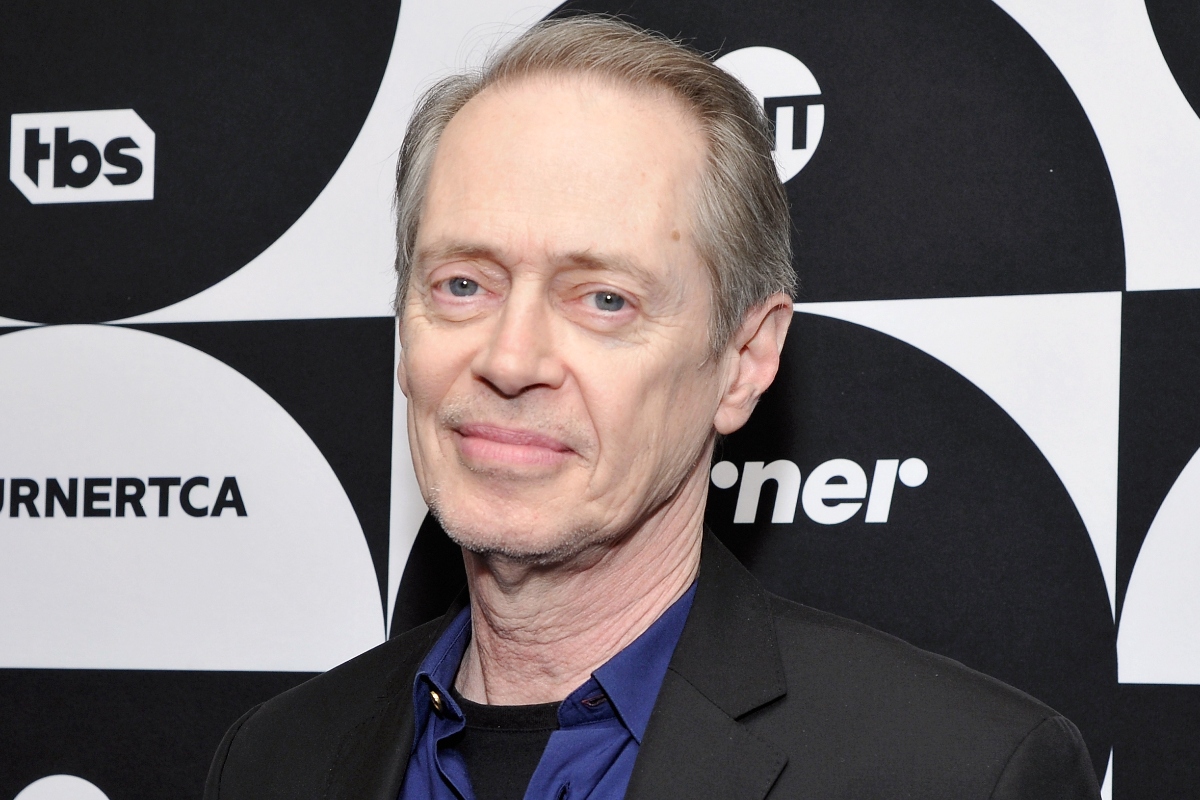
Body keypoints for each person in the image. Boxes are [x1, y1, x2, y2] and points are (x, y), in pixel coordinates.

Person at [204, 16, 1101, 800]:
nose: (510, 360)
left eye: (605, 300)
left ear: (744, 361)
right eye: (464, 284)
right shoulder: (275, 760)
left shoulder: (959, 774)